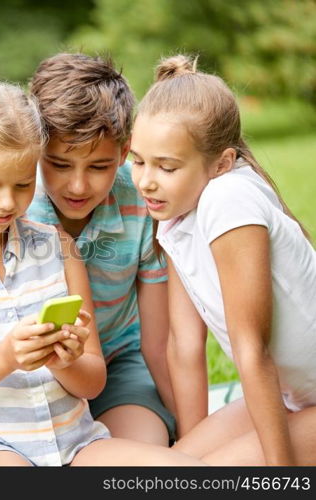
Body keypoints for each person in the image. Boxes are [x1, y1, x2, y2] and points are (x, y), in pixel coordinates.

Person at [0, 83, 204, 466]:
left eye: (23, 185)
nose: (8, 202)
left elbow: (93, 382)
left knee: (189, 472)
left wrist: (66, 360)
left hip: (74, 442)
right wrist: (6, 357)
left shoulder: (59, 249)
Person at [130, 55, 316, 465]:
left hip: (291, 393)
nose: (146, 180)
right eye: (138, 160)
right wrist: (186, 455)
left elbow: (253, 349)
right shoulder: (174, 215)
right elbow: (184, 343)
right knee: (173, 473)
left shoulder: (228, 198)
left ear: (222, 163)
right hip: (292, 397)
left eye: (167, 166)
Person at [27, 53, 176, 446]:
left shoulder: (143, 204)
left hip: (119, 368)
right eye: (59, 164)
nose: (77, 187)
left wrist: (191, 435)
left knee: (142, 455)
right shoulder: (14, 208)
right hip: (33, 381)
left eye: (98, 167)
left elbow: (158, 344)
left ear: (124, 153)